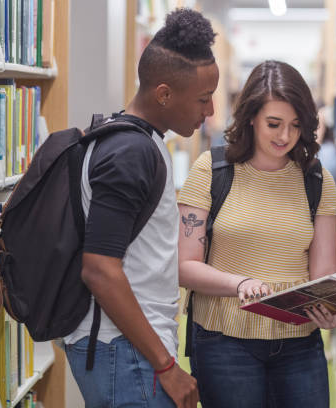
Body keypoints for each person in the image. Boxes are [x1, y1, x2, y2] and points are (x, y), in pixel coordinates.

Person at [63, 8, 219, 408]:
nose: (211, 111)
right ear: (164, 93)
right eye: (203, 99)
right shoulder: (130, 153)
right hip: (126, 351)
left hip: (129, 348)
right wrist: (166, 366)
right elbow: (99, 269)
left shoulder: (136, 140)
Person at [177, 60, 336, 408]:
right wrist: (239, 284)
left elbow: (323, 276)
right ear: (251, 117)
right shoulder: (212, 170)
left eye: (296, 125)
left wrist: (333, 308)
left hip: (300, 345)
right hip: (224, 344)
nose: (285, 136)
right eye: (274, 124)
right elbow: (184, 266)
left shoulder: (317, 180)